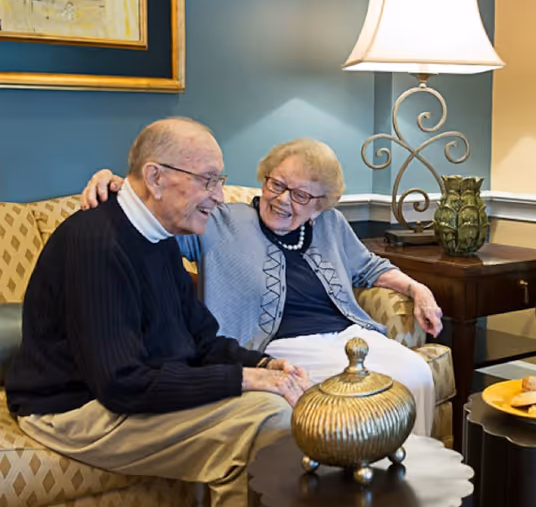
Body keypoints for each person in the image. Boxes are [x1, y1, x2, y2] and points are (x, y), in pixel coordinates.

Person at [5, 118, 312, 507]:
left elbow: (201, 340)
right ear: (155, 177)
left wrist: (265, 367)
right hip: (74, 407)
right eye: (208, 180)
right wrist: (243, 381)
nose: (220, 197)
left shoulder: (160, 233)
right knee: (267, 420)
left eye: (219, 181)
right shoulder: (97, 244)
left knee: (282, 404)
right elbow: (120, 384)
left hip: (129, 387)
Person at [81, 137, 442, 435]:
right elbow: (152, 227)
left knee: (416, 372)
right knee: (360, 390)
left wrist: (418, 290)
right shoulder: (220, 221)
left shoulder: (330, 225)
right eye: (277, 184)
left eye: (300, 196)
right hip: (275, 345)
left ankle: (412, 478)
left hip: (349, 335)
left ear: (319, 206)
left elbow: (370, 268)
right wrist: (117, 186)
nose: (283, 200)